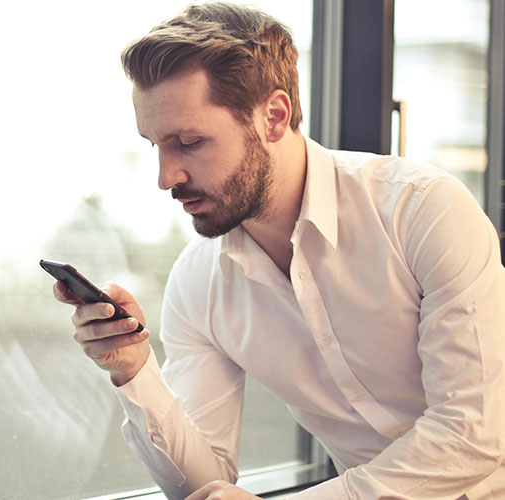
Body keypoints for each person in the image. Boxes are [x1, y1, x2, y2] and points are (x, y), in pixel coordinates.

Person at [53, 2, 505, 499]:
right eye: (157, 145)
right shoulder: (198, 283)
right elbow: (206, 487)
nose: (167, 177)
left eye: (190, 141)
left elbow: (472, 435)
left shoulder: (422, 211)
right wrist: (135, 370)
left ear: (274, 116)